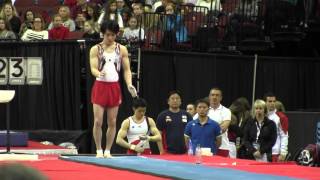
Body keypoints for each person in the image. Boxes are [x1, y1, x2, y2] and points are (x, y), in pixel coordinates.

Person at [90, 20, 137, 158]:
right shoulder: (95, 49)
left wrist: (129, 84)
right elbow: (93, 67)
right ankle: (99, 149)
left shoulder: (121, 49)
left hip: (114, 86)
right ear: (102, 34)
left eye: (113, 35)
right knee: (98, 121)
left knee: (112, 121)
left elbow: (127, 70)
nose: (110, 38)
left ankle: (108, 150)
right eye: (108, 35)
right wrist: (98, 73)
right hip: (100, 86)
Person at [194, 87, 231, 157]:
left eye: (217, 95)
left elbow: (223, 128)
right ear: (209, 97)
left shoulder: (226, 111)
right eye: (212, 95)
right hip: (203, 146)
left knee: (221, 168)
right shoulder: (203, 109)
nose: (214, 97)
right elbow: (193, 126)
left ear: (221, 98)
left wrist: (203, 130)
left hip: (222, 147)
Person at [264, 92, 289, 162]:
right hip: (261, 152)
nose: (272, 103)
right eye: (270, 101)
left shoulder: (281, 117)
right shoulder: (261, 116)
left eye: (274, 101)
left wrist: (283, 153)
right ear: (265, 102)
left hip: (275, 153)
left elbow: (284, 135)